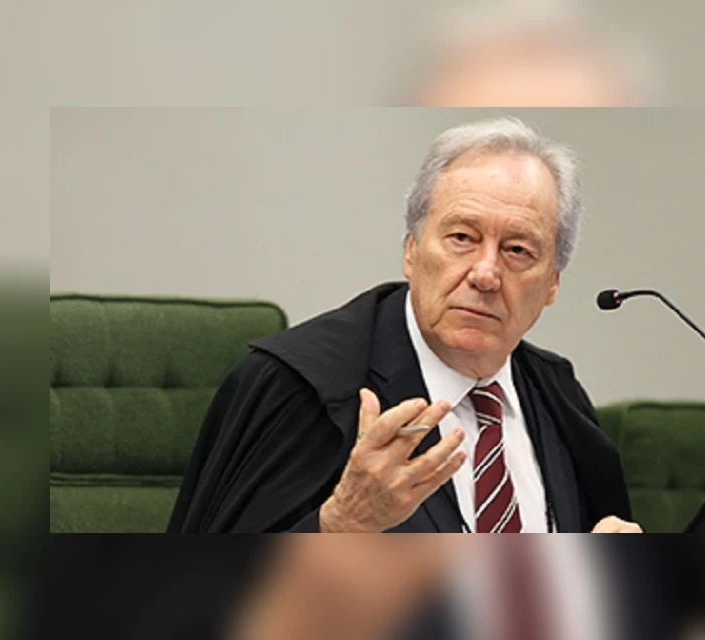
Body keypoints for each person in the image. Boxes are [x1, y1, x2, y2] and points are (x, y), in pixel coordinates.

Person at [168, 116, 641, 533]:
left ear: (553, 284)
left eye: (518, 250)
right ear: (411, 251)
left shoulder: (557, 397)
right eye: (462, 237)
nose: (485, 274)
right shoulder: (298, 388)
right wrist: (341, 526)